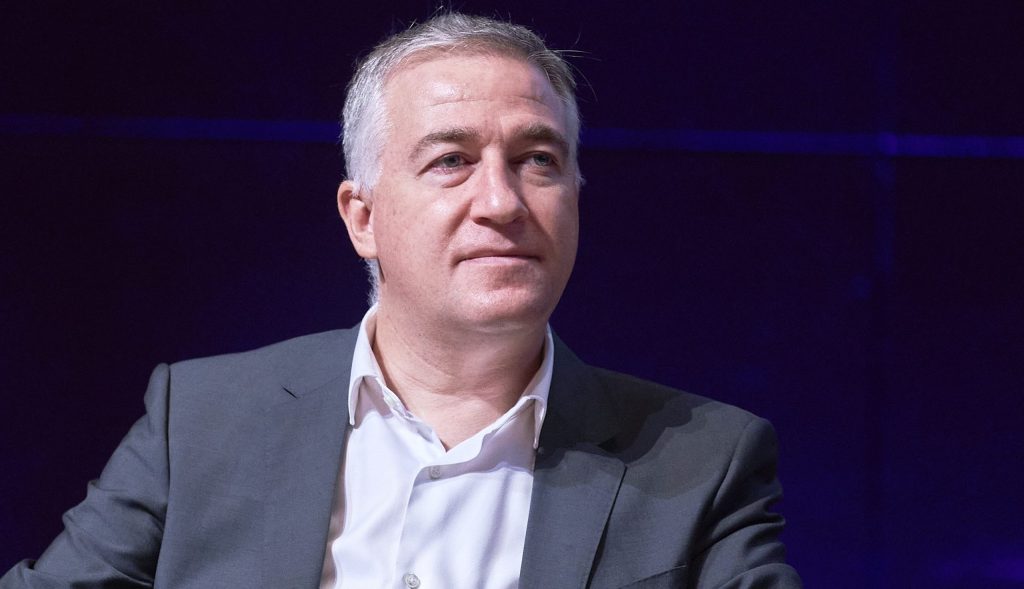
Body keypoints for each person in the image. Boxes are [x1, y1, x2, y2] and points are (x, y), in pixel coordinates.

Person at [1, 12, 801, 589]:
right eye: (452, 160)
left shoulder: (704, 461)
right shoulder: (203, 419)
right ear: (363, 217)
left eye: (538, 159)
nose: (502, 201)